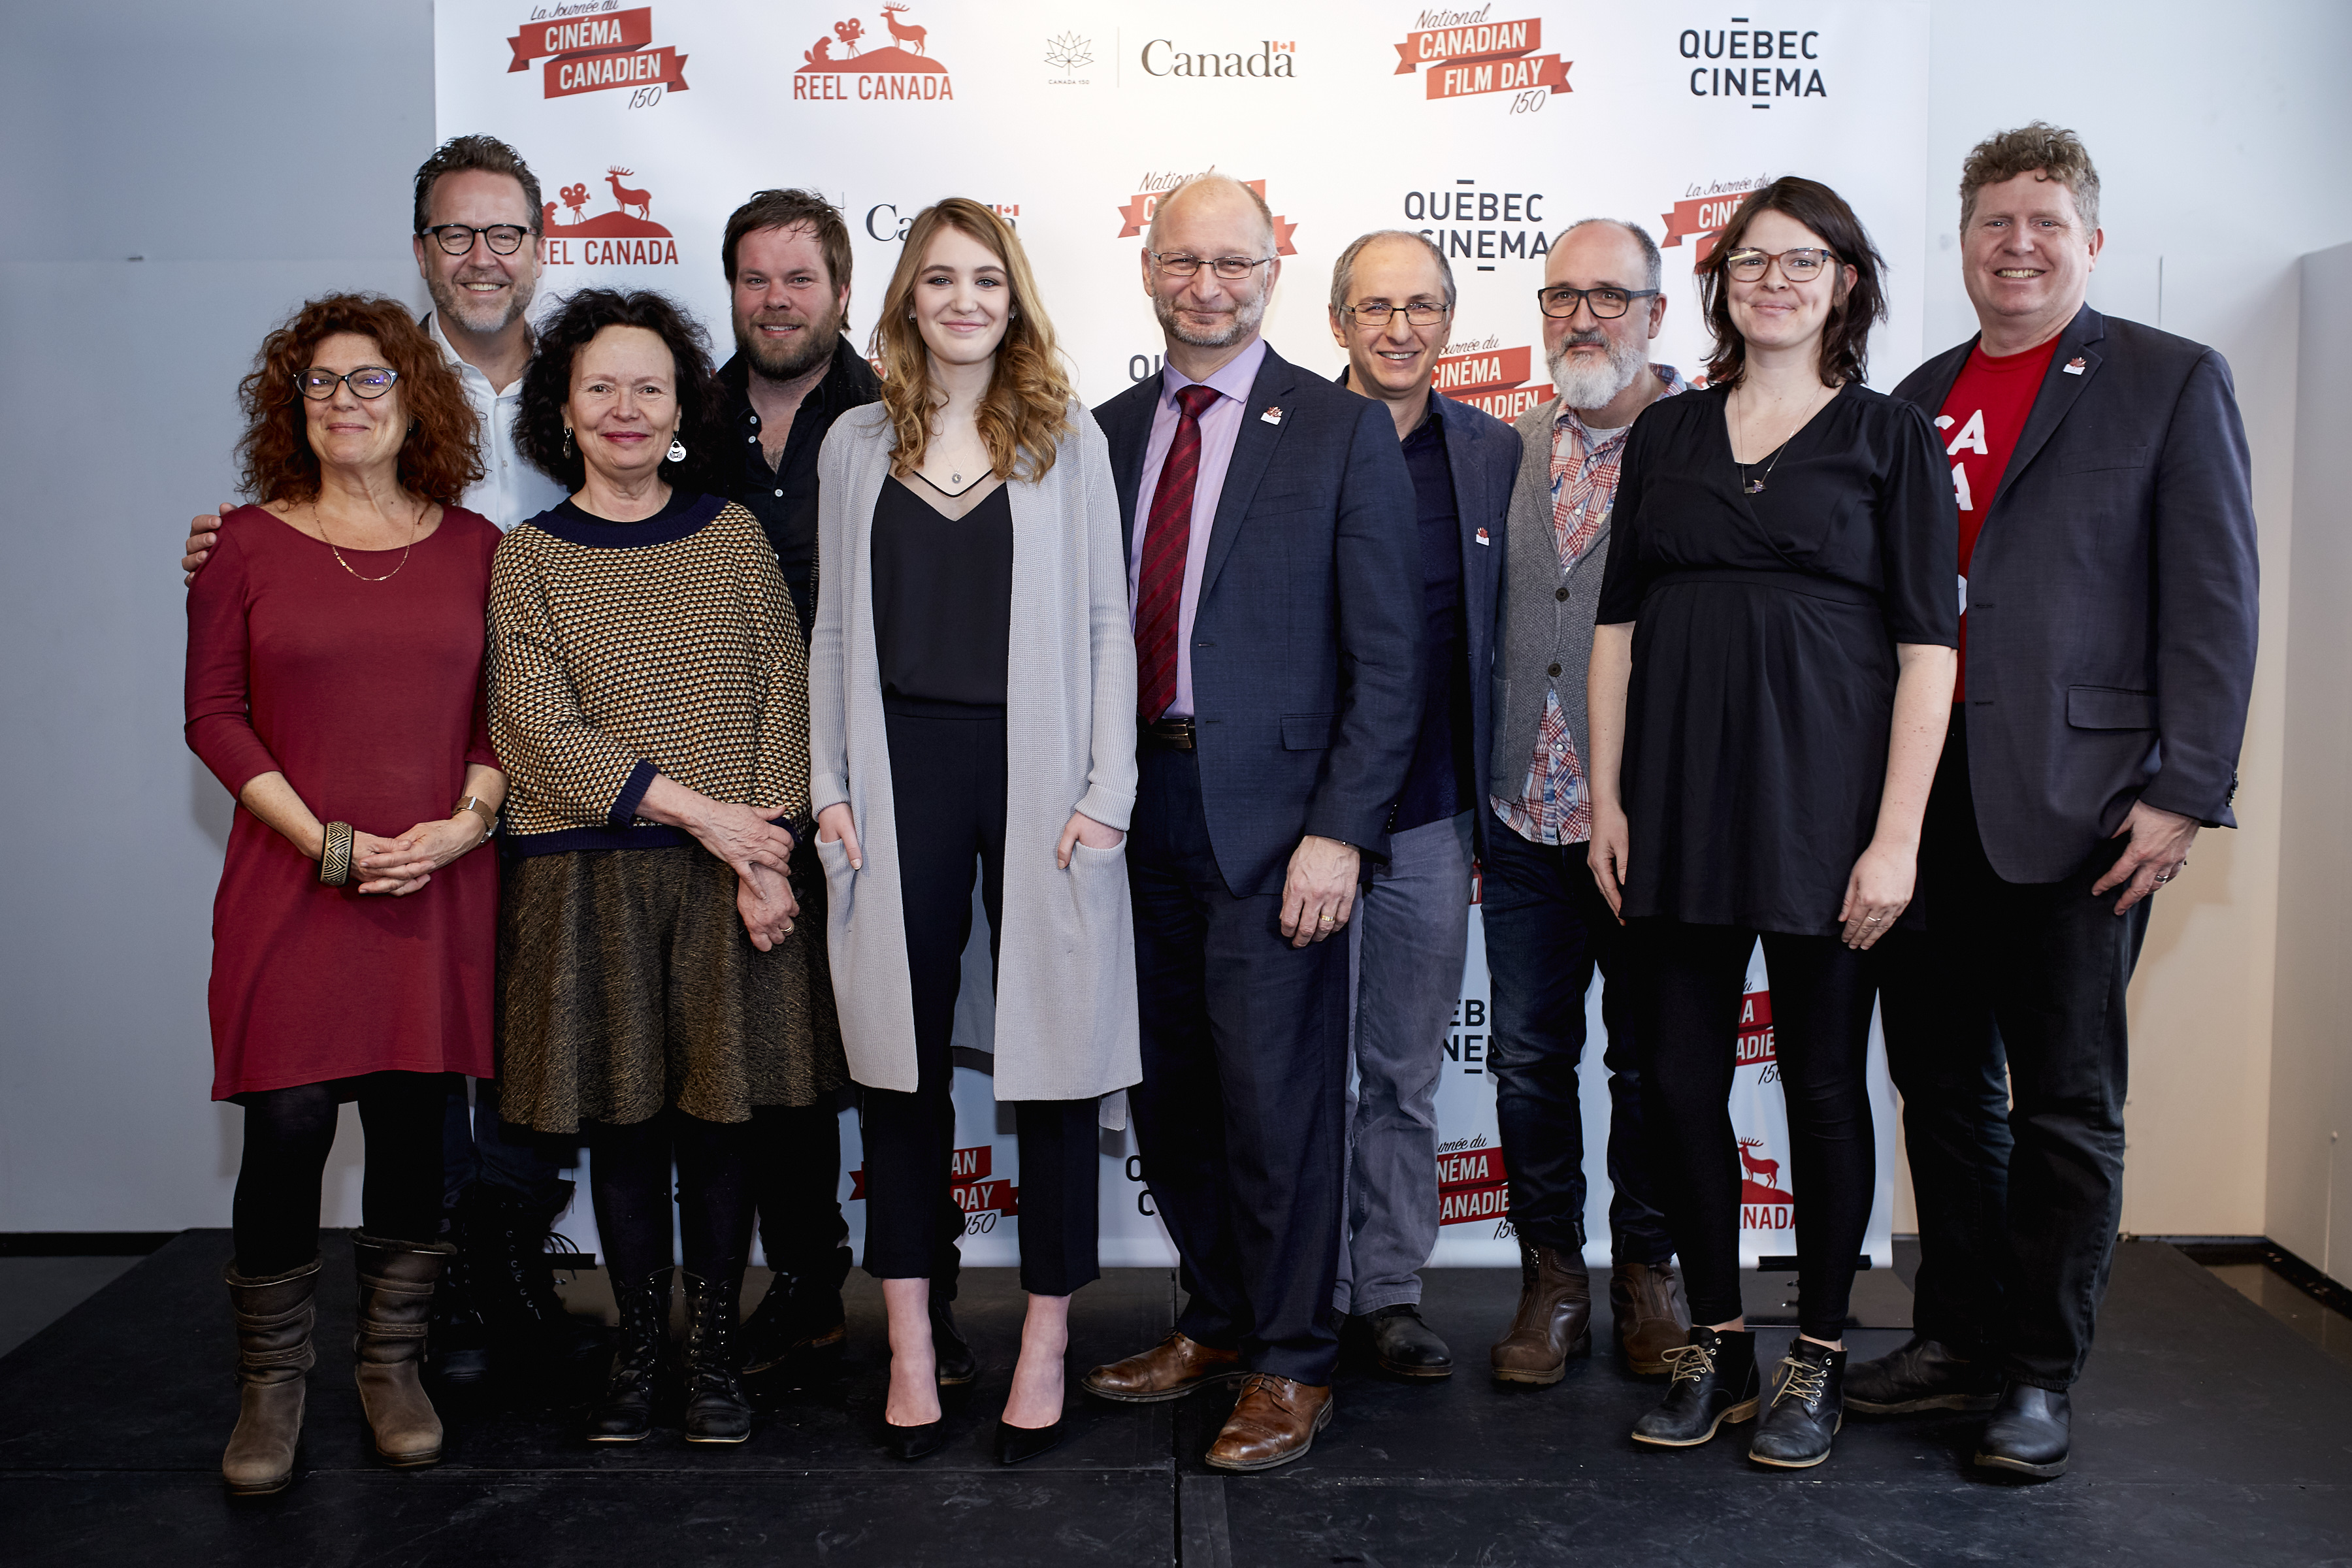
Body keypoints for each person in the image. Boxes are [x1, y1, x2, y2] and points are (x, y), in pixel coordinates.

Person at [1857, 124, 2259, 1479]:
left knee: (2067, 1107)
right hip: (1926, 809)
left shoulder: (2166, 380)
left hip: (2086, 809)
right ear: (1963, 242)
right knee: (1942, 1093)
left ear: (2087, 236)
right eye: (1992, 223)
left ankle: (2039, 1373)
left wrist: (2185, 790)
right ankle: (1958, 1339)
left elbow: (2214, 601)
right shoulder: (1916, 396)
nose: (2015, 245)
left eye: (2042, 221)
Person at [182, 136, 581, 1387]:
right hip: (374, 815)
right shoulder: (276, 509)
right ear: (423, 251)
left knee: (514, 1049)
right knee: (341, 1100)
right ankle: (411, 1308)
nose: (481, 256)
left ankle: (495, 1266)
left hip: (541, 774)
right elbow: (220, 703)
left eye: (504, 233)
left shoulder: (587, 378)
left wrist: (470, 812)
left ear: (539, 246)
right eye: (456, 234)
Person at [1587, 177, 1959, 1469]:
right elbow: (1619, 630)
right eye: (1752, 260)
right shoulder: (1668, 435)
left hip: (1827, 812)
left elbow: (1928, 651)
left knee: (1819, 1085)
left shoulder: (1891, 438)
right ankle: (1720, 1343)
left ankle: (1818, 1355)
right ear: (1723, 283)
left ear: (1847, 282)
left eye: (1804, 261)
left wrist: (1897, 838)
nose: (1776, 280)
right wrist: (1609, 801)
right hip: (1678, 807)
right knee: (1680, 1083)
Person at [1081, 173, 1424, 1471]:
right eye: (1182, 261)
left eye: (1232, 261)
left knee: (1277, 1106)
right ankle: (1219, 1320)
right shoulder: (1107, 434)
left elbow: (1390, 666)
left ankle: (1292, 1360)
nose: (1205, 285)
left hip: (1282, 828)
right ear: (1151, 270)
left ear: (1273, 270)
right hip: (1134, 810)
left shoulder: (1340, 432)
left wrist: (1342, 831)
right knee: (1172, 1099)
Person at [808, 199, 1139, 1465]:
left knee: (1051, 1060)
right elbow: (834, 629)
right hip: (897, 776)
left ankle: (1048, 1336)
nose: (961, 300)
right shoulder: (853, 444)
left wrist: (1108, 791)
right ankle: (907, 1340)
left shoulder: (1069, 440)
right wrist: (828, 783)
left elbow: (1109, 624)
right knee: (896, 1063)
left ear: (1016, 301)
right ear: (905, 299)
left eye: (985, 281)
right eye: (938, 279)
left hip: (1041, 773)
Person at [488, 288, 845, 1446]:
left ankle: (713, 1358)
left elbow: (781, 704)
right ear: (565, 410)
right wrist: (710, 819)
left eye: (649, 387)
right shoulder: (528, 559)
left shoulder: (733, 535)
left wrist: (768, 853)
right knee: (627, 1128)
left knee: (722, 1127)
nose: (626, 409)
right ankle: (639, 1354)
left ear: (680, 408)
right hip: (588, 877)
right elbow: (536, 727)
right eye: (600, 387)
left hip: (731, 885)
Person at [187, 293, 505, 1494]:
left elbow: (502, 718)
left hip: (432, 876)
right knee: (290, 1123)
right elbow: (211, 716)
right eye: (320, 383)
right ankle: (269, 1390)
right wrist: (323, 841)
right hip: (292, 878)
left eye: (370, 380)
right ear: (293, 407)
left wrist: (463, 828)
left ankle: (391, 1367)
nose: (344, 402)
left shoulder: (478, 548)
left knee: (417, 1129)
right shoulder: (243, 546)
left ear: (414, 397)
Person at [1483, 219, 1693, 1387]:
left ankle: (1648, 1273)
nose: (1583, 316)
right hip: (1521, 822)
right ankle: (1551, 1280)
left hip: (1652, 826)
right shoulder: (1505, 449)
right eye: (1562, 294)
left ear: (1657, 313)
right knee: (1527, 1061)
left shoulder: (1709, 445)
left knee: (1652, 1064)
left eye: (1610, 295)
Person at [1318, 230, 1518, 1381]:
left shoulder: (1491, 454)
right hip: (1308, 825)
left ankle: (1386, 1289)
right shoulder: (1289, 444)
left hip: (1437, 819)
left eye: (1424, 307)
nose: (1401, 330)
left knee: (1399, 1071)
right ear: (1338, 320)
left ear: (1452, 321)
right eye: (1377, 308)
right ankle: (1297, 1283)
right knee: (1298, 1069)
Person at [710, 188, 883, 1383]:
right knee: (769, 1059)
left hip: (875, 781)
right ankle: (808, 1284)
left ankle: (914, 1300)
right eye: (756, 279)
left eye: (799, 279)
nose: (776, 301)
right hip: (722, 789)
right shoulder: (681, 411)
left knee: (888, 1043)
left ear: (841, 292)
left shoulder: (895, 411)